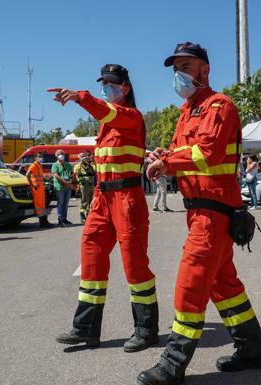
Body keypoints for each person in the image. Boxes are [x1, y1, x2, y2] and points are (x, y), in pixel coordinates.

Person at [140, 42, 261, 385]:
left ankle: (173, 363)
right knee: (223, 284)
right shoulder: (187, 111)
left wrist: (167, 162)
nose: (179, 74)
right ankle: (253, 348)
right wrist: (164, 155)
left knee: (191, 282)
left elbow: (208, 153)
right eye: (175, 68)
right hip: (200, 212)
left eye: (185, 66)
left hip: (213, 213)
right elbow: (188, 154)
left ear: (205, 70)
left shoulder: (219, 105)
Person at [48, 63, 159, 352]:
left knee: (135, 266)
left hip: (127, 198)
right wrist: (96, 195)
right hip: (103, 196)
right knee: (92, 255)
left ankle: (146, 330)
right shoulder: (106, 123)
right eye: (104, 84)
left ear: (126, 87)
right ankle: (85, 329)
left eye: (112, 84)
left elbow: (105, 110)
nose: (107, 89)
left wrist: (79, 96)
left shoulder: (130, 116)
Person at [26, 152, 53, 228]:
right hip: (36, 188)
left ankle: (45, 221)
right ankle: (42, 222)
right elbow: (27, 175)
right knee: (39, 205)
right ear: (35, 158)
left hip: (40, 187)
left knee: (43, 204)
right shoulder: (33, 165)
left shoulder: (40, 165)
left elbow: (40, 177)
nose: (41, 158)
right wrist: (32, 184)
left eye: (41, 156)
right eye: (39, 157)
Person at [51, 149, 74, 227]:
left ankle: (64, 219)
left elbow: (71, 174)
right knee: (60, 203)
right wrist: (64, 182)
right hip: (59, 187)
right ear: (56, 156)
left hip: (68, 186)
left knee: (66, 203)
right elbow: (56, 175)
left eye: (62, 153)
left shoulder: (68, 164)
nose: (61, 155)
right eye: (59, 154)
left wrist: (70, 182)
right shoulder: (55, 165)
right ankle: (60, 220)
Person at [74, 150, 96, 223]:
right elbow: (76, 171)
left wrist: (90, 162)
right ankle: (82, 217)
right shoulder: (78, 165)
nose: (86, 158)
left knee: (91, 201)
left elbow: (95, 170)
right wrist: (81, 162)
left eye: (87, 156)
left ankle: (89, 216)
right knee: (84, 201)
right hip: (83, 185)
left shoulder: (90, 165)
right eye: (83, 157)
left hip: (90, 185)